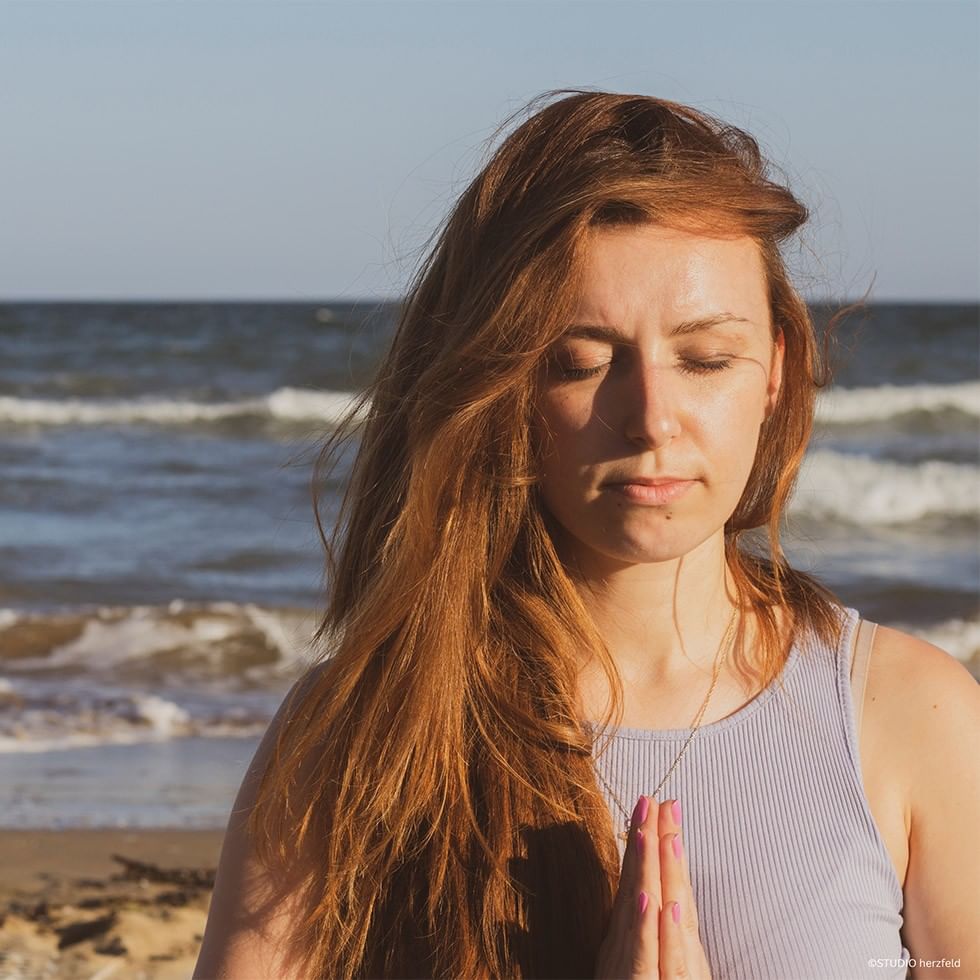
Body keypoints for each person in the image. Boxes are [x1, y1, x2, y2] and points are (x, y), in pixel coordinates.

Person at [193, 90, 979, 979]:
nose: (651, 417)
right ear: (502, 385)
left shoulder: (914, 718)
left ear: (776, 371)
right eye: (582, 362)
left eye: (707, 358)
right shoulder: (366, 735)